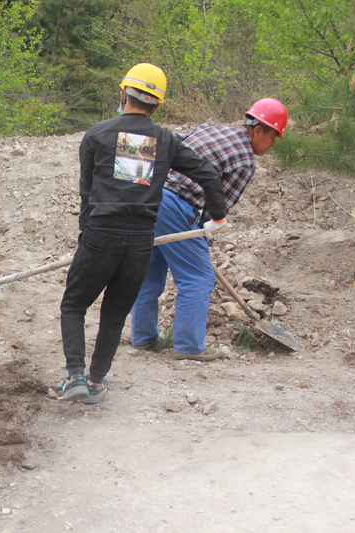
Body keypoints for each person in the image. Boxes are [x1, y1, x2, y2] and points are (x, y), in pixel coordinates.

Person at [57, 64, 228, 404]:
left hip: (101, 234)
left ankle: (75, 376)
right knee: (115, 312)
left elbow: (87, 194)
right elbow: (208, 174)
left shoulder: (96, 135)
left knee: (74, 304)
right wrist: (217, 219)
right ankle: (96, 382)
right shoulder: (165, 140)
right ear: (157, 105)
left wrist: (85, 238)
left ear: (123, 94)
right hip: (140, 242)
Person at [131, 98, 288, 361]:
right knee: (198, 277)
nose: (273, 144)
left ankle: (143, 338)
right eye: (273, 137)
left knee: (151, 270)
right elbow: (218, 206)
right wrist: (204, 241)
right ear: (258, 130)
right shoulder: (246, 161)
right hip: (176, 205)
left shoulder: (211, 129)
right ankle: (189, 346)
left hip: (148, 197)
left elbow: (168, 143)